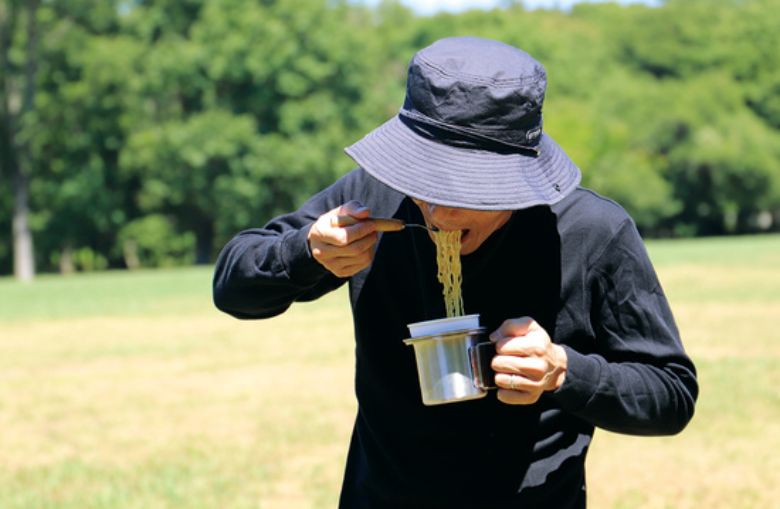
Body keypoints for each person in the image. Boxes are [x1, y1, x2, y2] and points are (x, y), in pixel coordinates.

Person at [212, 36, 698, 509]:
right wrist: (305, 252)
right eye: (423, 182)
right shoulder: (372, 197)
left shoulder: (591, 231)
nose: (438, 214)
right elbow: (233, 288)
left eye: (467, 191)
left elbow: (671, 396)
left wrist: (566, 372)